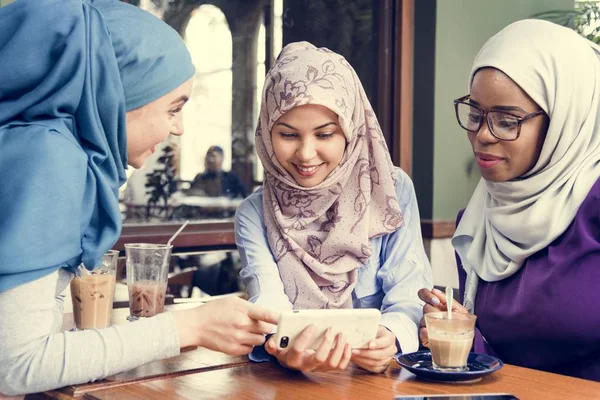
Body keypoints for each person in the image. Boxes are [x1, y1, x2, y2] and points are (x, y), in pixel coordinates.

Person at [0, 0, 277, 395]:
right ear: (121, 94)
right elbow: (15, 364)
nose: (180, 128)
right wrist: (190, 326)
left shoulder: (34, 145)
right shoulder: (48, 156)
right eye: (174, 107)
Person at [418, 19, 600, 382]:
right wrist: (460, 335)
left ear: (564, 120)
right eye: (475, 114)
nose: (482, 135)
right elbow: (501, 362)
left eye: (507, 120)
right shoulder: (479, 219)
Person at [235, 42, 432, 374]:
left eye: (324, 134)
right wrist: (285, 348)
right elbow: (269, 305)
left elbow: (409, 292)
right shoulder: (255, 213)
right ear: (267, 134)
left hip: (378, 385)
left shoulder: (391, 190)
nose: (306, 154)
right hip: (288, 387)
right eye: (288, 134)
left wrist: (391, 337)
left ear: (351, 130)